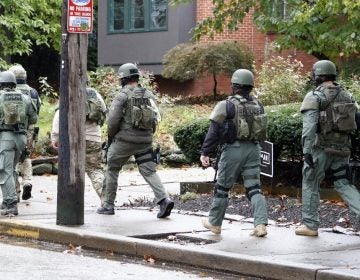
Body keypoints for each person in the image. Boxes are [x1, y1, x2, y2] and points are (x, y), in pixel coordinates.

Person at [97, 63, 174, 218]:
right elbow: (157, 118)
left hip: (124, 142)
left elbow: (112, 121)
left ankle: (108, 205)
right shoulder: (149, 95)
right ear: (137, 78)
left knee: (112, 168)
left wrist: (111, 137)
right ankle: (164, 200)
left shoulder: (122, 95)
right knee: (149, 170)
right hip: (145, 142)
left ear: (123, 79)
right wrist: (147, 135)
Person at [200, 69, 268, 236]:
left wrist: (205, 152)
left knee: (222, 187)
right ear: (250, 86)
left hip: (233, 150)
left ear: (234, 86)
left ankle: (215, 223)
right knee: (254, 187)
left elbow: (214, 131)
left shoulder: (226, 105)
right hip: (253, 149)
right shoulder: (258, 105)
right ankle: (261, 225)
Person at [296, 60, 360, 236]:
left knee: (310, 181)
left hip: (320, 148)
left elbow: (309, 128)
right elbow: (358, 120)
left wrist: (306, 151)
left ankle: (310, 225)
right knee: (344, 183)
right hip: (342, 149)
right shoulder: (348, 95)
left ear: (318, 75)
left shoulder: (315, 96)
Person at [51, 87, 107, 199]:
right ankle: (106, 198)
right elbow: (104, 113)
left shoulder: (69, 92)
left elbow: (59, 116)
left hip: (73, 140)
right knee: (95, 169)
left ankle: (72, 200)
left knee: (71, 169)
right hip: (94, 138)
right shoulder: (95, 94)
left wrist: (55, 137)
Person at [0, 71, 37, 216]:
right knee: (12, 169)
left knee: (4, 171)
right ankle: (8, 200)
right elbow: (33, 119)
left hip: (5, 137)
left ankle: (10, 203)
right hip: (21, 138)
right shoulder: (26, 97)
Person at [8, 64, 41, 201]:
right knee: (26, 155)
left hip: (12, 129)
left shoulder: (8, 91)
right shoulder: (33, 92)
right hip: (29, 129)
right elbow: (36, 110)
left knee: (12, 159)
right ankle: (27, 181)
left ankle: (15, 191)